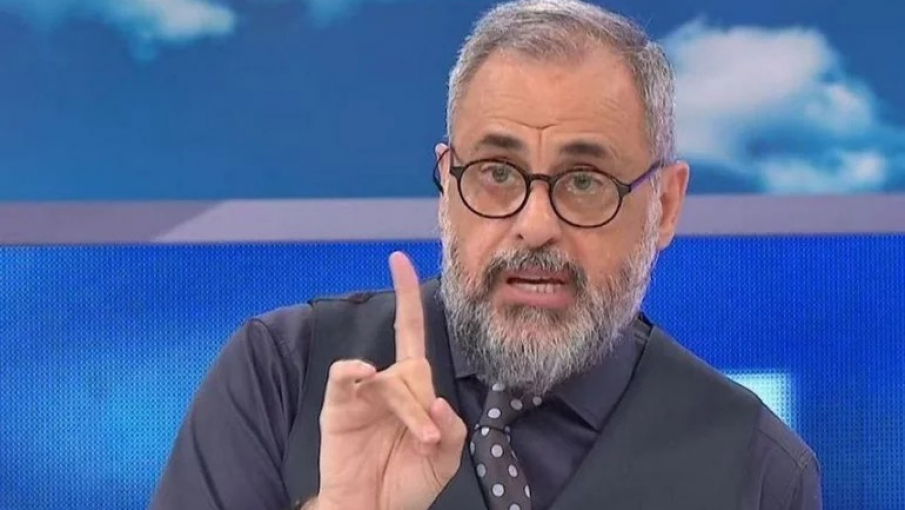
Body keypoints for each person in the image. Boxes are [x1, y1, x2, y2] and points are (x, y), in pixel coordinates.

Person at [149, 1, 822, 509]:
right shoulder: (283, 377)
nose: (535, 226)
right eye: (497, 173)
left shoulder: (757, 470)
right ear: (448, 183)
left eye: (584, 181)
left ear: (665, 206)